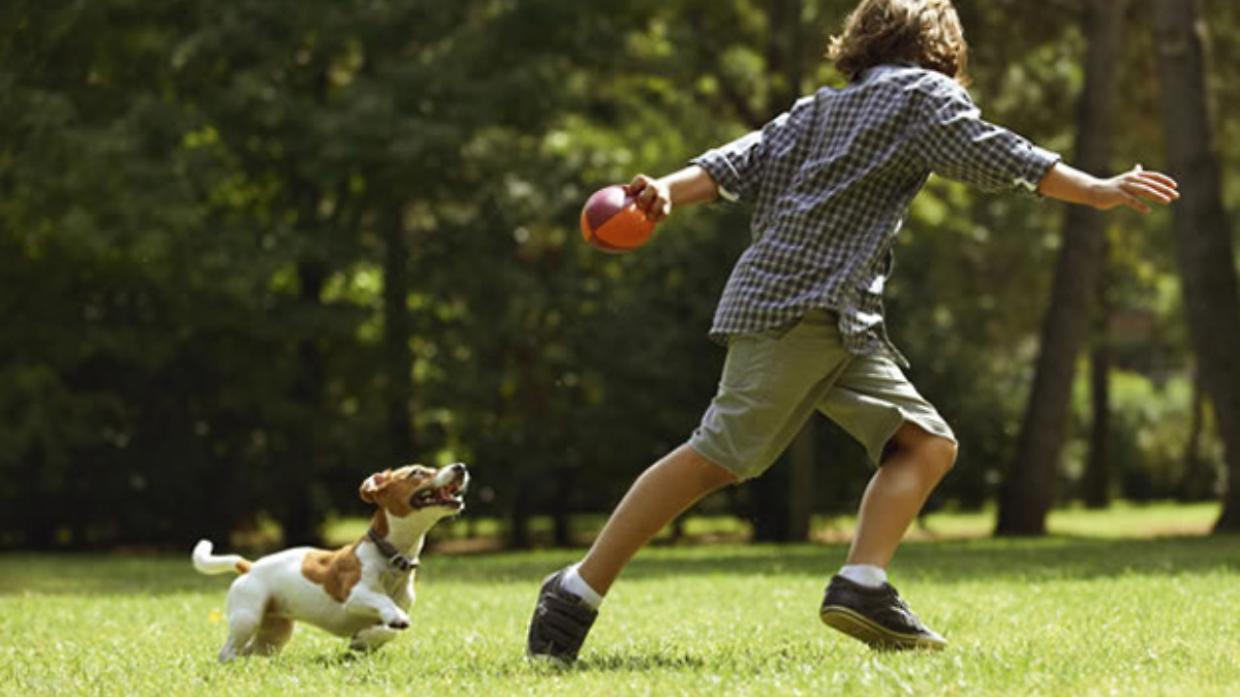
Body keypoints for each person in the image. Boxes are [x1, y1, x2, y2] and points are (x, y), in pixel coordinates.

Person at [526, 0, 1179, 664]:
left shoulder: (818, 108)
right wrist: (1096, 188)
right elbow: (1002, 155)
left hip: (840, 318)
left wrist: (663, 189)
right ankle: (575, 589)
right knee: (718, 456)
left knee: (925, 444)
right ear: (943, 49)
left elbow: (732, 164)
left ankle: (862, 583)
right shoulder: (926, 98)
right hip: (797, 309)